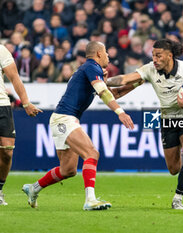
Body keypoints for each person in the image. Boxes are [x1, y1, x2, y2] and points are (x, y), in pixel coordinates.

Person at [22, 41, 134, 210]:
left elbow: (112, 94)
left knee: (68, 170)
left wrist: (138, 83)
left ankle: (33, 188)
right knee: (92, 153)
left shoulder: (89, 70)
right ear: (98, 54)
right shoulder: (91, 67)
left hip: (63, 118)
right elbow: (104, 93)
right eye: (106, 52)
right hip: (65, 119)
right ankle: (90, 200)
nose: (108, 56)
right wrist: (121, 113)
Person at [106, 39, 183, 210]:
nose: (154, 59)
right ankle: (181, 152)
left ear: (169, 56)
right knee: (173, 169)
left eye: (158, 55)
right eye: (153, 55)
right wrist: (103, 81)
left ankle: (178, 197)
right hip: (168, 119)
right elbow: (126, 78)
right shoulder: (150, 69)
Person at [0, 44, 42, 205]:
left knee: (7, 151)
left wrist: (25, 103)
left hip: (2, 105)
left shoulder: (1, 50)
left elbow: (15, 77)